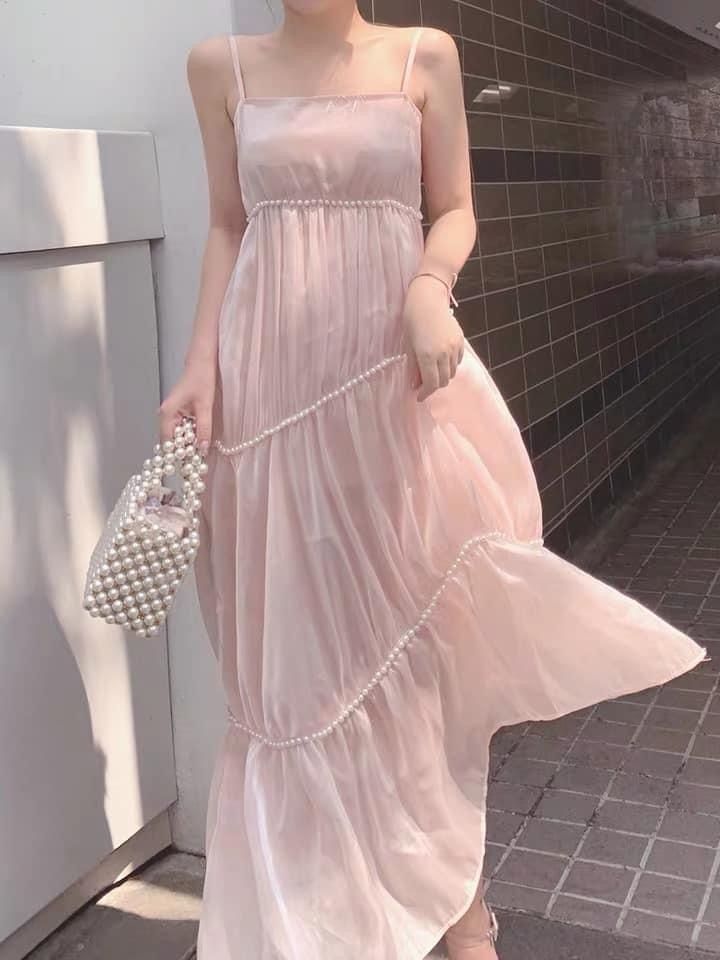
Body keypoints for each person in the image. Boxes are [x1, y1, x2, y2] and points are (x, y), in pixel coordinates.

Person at [158, 6, 707, 959]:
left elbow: (454, 207)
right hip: (269, 395)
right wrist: (200, 365)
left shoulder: (425, 55)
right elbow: (226, 224)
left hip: (388, 382)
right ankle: (305, 914)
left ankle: (458, 907)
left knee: (408, 640)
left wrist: (428, 288)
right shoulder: (219, 67)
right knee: (295, 658)